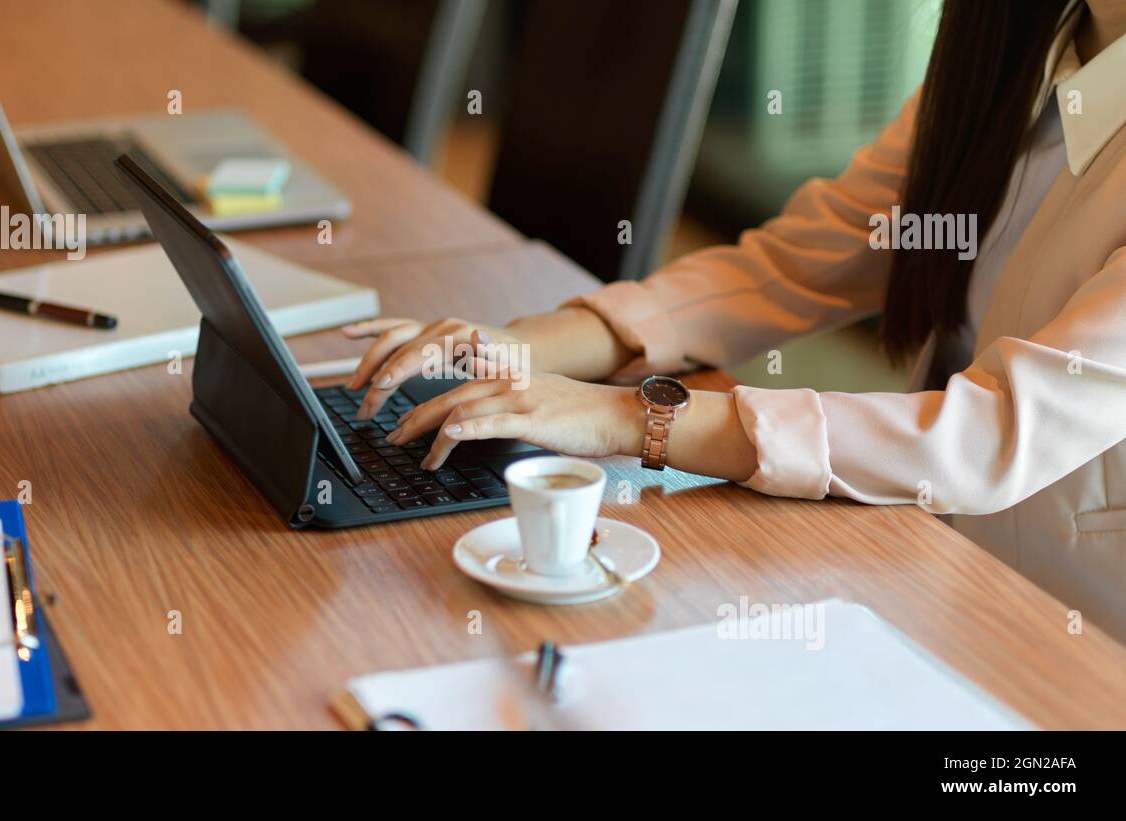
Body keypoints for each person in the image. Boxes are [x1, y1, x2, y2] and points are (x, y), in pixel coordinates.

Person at [341, 0, 1126, 636]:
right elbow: (792, 264)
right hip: (913, 557)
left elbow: (990, 436)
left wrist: (628, 417)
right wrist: (517, 348)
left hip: (1066, 640)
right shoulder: (1025, 44)